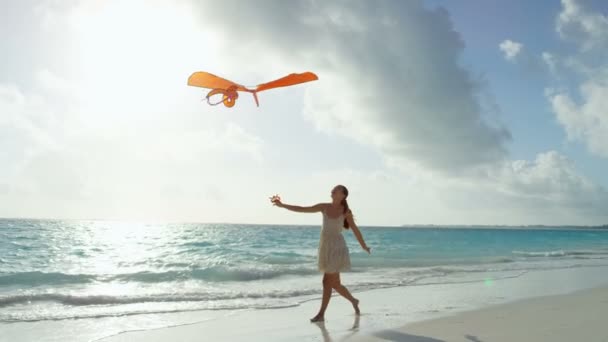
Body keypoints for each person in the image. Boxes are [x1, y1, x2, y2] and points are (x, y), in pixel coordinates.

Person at [270, 185, 371, 322]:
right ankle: (354, 300)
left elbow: (355, 229)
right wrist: (282, 205)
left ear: (343, 195)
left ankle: (321, 314)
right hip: (325, 247)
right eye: (333, 189)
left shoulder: (345, 211)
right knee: (335, 284)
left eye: (336, 189)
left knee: (326, 281)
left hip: (337, 248)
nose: (333, 190)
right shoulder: (324, 207)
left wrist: (364, 246)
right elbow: (302, 209)